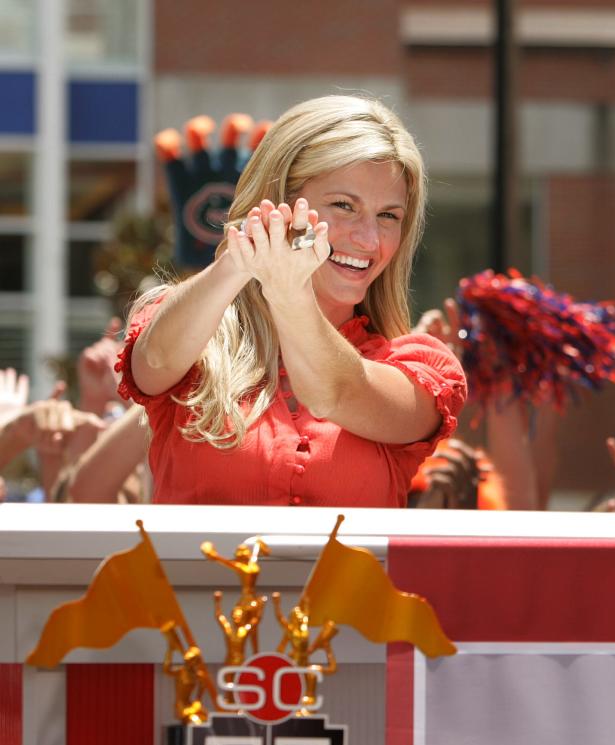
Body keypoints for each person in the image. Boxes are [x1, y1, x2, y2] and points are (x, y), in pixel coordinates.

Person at [118, 96, 466, 506]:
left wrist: (288, 288)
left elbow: (334, 392)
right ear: (278, 202)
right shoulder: (195, 331)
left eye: (388, 216)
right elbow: (154, 363)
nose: (370, 240)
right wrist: (241, 258)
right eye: (343, 206)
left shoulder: (421, 366)